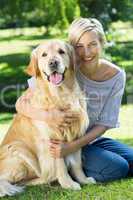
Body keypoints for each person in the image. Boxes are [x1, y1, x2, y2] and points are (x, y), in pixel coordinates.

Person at [16, 17, 133, 182]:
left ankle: (74, 163)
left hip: (91, 139)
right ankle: (66, 170)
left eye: (92, 44)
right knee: (118, 168)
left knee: (131, 162)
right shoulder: (61, 69)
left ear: (102, 43)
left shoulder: (116, 76)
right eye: (79, 46)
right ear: (72, 49)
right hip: (67, 140)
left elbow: (105, 122)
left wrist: (72, 147)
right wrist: (49, 117)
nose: (87, 52)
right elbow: (20, 104)